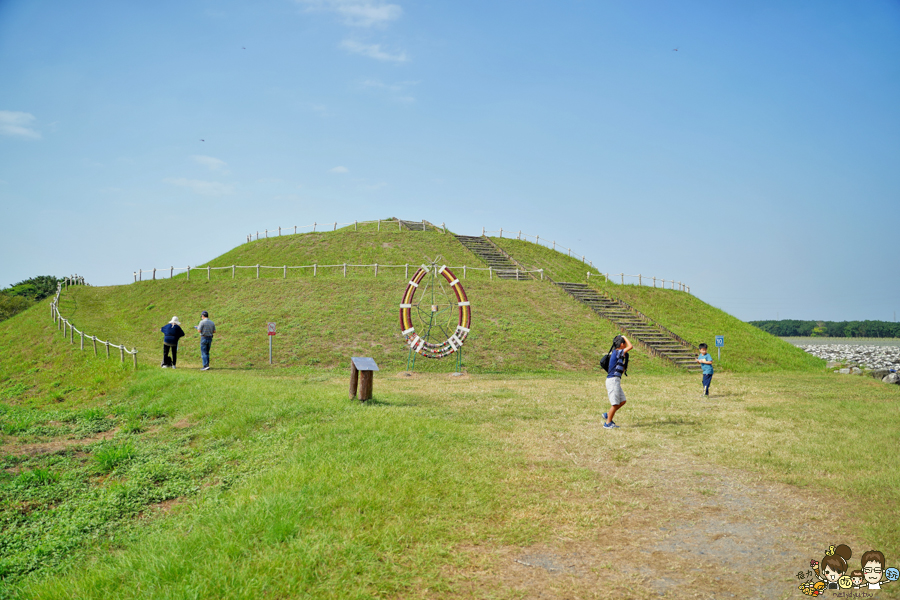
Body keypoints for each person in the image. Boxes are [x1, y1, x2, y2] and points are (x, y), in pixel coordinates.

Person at [603, 334, 632, 429]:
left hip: (616, 380)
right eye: (624, 343)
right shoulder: (617, 352)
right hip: (613, 380)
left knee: (622, 401)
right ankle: (608, 424)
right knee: (615, 403)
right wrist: (624, 337)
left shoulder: (618, 354)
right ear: (622, 344)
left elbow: (622, 370)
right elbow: (630, 347)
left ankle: (608, 414)